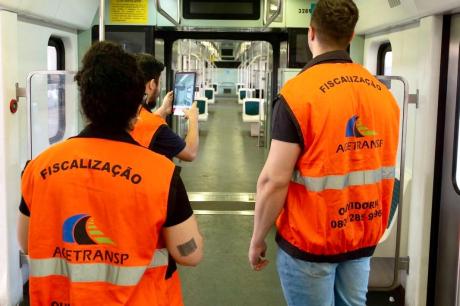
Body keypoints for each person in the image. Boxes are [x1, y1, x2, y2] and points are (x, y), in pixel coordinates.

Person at [17, 41, 203, 305]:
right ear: (136, 102)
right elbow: (189, 254)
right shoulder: (162, 174)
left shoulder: (39, 168)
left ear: (85, 101)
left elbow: (27, 242)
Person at [248, 1, 400, 305]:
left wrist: (257, 237)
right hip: (361, 234)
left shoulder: (297, 95)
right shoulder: (383, 94)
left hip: (312, 239)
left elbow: (274, 181)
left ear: (311, 32)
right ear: (352, 35)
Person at [132, 53, 199, 161]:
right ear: (152, 84)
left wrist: (163, 110)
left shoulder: (124, 111)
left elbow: (143, 123)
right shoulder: (155, 126)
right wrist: (193, 120)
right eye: (160, 83)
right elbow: (190, 153)